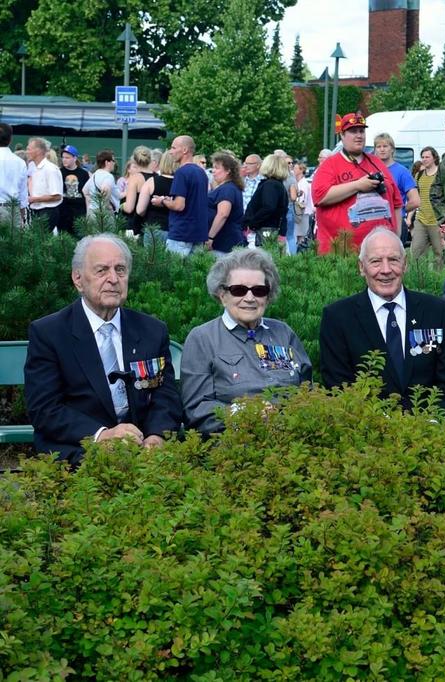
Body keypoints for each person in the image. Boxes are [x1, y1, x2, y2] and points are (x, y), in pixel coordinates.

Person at [24, 234, 183, 467]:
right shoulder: (49, 333)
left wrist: (156, 436)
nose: (113, 279)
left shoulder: (152, 330)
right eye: (102, 270)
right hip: (79, 448)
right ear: (78, 279)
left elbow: (165, 396)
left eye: (120, 270)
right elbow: (45, 409)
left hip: (143, 448)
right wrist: (102, 435)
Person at [319, 227, 445, 417]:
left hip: (431, 432)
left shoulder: (436, 311)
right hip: (368, 434)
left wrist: (432, 423)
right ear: (362, 267)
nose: (386, 270)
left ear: (405, 264)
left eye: (393, 260)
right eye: (376, 261)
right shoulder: (338, 318)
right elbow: (338, 387)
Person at [180, 249, 311, 435]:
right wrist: (245, 414)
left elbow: (309, 390)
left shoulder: (283, 333)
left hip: (293, 439)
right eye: (239, 290)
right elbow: (196, 409)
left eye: (259, 291)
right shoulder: (203, 338)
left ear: (268, 295)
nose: (249, 298)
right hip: (236, 445)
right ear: (222, 295)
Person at [312, 112, 402, 255]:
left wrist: (396, 239)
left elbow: (396, 203)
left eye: (362, 131)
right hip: (342, 253)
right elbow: (320, 196)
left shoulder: (377, 162)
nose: (359, 135)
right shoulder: (329, 165)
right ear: (342, 135)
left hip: (379, 251)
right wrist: (357, 186)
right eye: (353, 131)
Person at [152, 135, 210, 256]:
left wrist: (162, 201)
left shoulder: (181, 172)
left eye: (173, 148)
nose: (170, 152)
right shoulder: (201, 173)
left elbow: (179, 205)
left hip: (181, 233)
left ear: (184, 150)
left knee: (173, 273)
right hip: (199, 234)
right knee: (193, 274)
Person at [373, 132, 420, 245]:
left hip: (395, 223)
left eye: (385, 146)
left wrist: (398, 210)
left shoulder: (402, 171)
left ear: (392, 149)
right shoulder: (371, 170)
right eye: (378, 147)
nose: (382, 149)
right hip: (373, 222)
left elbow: (415, 201)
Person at [243, 153, 289, 248]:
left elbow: (268, 207)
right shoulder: (278, 185)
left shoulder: (270, 185)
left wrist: (252, 223)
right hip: (271, 231)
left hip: (263, 232)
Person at [205, 151, 246, 255]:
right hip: (225, 242)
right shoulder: (229, 187)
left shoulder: (227, 189)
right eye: (213, 167)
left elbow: (223, 214)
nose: (213, 171)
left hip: (224, 243)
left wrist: (210, 237)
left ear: (228, 170)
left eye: (217, 168)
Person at [410, 146, 444, 270]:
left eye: (427, 157)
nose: (424, 159)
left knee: (439, 253)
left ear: (434, 158)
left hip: (437, 219)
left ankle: (437, 281)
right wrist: (409, 217)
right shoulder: (418, 175)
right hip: (421, 218)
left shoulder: (441, 174)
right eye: (422, 157)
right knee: (417, 252)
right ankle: (419, 279)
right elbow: (415, 198)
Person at [136, 150, 177, 243]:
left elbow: (140, 210)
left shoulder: (151, 181)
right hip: (174, 229)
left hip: (153, 227)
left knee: (151, 257)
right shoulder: (181, 183)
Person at [26, 136, 63, 231]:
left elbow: (57, 196)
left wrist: (34, 199)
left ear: (38, 151)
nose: (27, 152)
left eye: (29, 149)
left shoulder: (50, 169)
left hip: (47, 212)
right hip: (36, 211)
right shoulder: (33, 168)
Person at [121, 146, 153, 236]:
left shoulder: (135, 178)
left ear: (134, 160)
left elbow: (129, 208)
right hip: (151, 223)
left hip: (135, 224)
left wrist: (121, 205)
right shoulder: (156, 177)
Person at [58, 145, 89, 234]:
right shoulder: (59, 172)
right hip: (63, 214)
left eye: (67, 157)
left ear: (75, 158)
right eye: (63, 157)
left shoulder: (83, 174)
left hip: (79, 214)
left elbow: (87, 194)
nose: (64, 159)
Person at [0, 123, 27, 226]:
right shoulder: (19, 162)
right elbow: (23, 194)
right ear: (11, 139)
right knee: (11, 242)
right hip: (11, 209)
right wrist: (23, 218)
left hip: (11, 207)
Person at [82, 150, 120, 217]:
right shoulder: (108, 176)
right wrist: (107, 206)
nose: (114, 163)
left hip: (92, 212)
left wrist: (91, 204)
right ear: (107, 162)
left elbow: (85, 190)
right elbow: (105, 189)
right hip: (104, 215)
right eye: (113, 161)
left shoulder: (95, 174)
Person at [293, 162, 313, 252]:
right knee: (298, 235)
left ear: (301, 170)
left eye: (296, 168)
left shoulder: (303, 183)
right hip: (299, 212)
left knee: (301, 236)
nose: (293, 170)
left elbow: (302, 199)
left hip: (302, 213)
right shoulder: (298, 182)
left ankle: (301, 254)